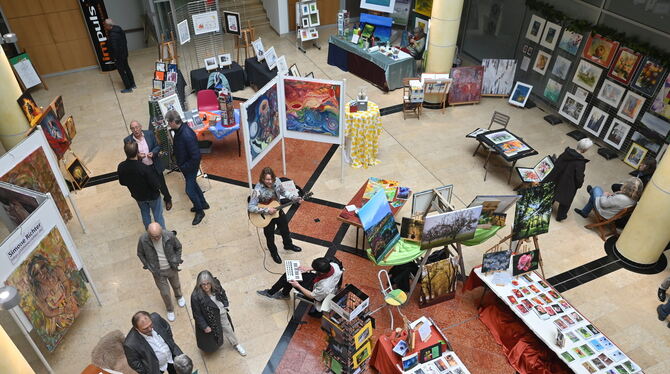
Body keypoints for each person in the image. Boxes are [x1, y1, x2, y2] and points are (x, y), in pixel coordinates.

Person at [247, 167, 302, 264]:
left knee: (285, 230)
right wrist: (266, 210)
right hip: (266, 216)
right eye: (267, 179)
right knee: (270, 236)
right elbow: (251, 207)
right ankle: (274, 253)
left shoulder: (277, 182)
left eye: (271, 179)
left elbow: (284, 192)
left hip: (278, 210)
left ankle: (288, 245)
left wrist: (294, 197)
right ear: (262, 179)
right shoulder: (258, 190)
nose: (270, 181)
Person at [257, 257, 342, 317]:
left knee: (289, 277)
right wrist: (308, 269)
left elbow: (312, 295)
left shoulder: (325, 286)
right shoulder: (334, 266)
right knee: (290, 276)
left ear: (321, 272)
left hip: (316, 294)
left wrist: (297, 285)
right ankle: (283, 293)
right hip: (317, 282)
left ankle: (272, 293)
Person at [165, 110, 209, 225]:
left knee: (189, 190)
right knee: (193, 184)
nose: (168, 124)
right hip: (186, 165)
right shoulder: (179, 130)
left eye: (169, 122)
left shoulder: (186, 134)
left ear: (174, 122)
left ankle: (200, 211)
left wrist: (184, 166)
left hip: (189, 167)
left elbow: (196, 156)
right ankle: (203, 203)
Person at [190, 270, 246, 356]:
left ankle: (235, 344)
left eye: (208, 283)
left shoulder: (216, 284)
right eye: (203, 284)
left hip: (221, 311)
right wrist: (204, 326)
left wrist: (225, 303)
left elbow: (222, 293)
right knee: (212, 335)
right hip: (209, 317)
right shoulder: (195, 296)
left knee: (227, 327)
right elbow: (197, 314)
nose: (205, 286)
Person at [137, 222, 185, 322]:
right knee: (165, 293)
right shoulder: (143, 240)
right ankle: (170, 309)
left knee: (176, 285)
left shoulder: (169, 235)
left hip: (171, 267)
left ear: (161, 232)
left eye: (158, 236)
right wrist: (148, 266)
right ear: (148, 233)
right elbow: (140, 253)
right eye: (153, 237)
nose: (156, 239)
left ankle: (179, 296)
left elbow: (178, 247)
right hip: (158, 272)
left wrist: (176, 259)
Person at [124, 120, 173, 210]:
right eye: (133, 128)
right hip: (142, 169)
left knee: (162, 185)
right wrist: (137, 156)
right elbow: (129, 155)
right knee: (148, 186)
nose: (136, 130)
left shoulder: (149, 134)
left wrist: (153, 153)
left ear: (141, 127)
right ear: (131, 130)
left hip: (154, 166)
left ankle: (168, 199)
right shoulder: (128, 140)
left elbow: (157, 146)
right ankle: (152, 201)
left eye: (137, 127)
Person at [118, 142, 166, 229]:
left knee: (145, 214)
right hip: (152, 196)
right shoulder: (144, 168)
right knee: (158, 215)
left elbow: (122, 182)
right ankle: (162, 234)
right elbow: (156, 185)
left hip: (138, 196)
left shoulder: (121, 166)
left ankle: (150, 234)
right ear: (137, 152)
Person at [544, 138, 592, 221]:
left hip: (556, 178)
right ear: (585, 150)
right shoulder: (580, 163)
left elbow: (557, 163)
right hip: (567, 184)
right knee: (567, 198)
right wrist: (579, 184)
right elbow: (579, 177)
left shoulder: (566, 153)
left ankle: (546, 207)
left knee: (553, 191)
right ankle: (561, 216)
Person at [573, 177, 643, 220]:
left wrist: (605, 195)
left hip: (604, 212)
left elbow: (603, 204)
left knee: (597, 188)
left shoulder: (621, 198)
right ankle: (584, 212)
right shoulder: (634, 199)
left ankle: (591, 192)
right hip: (612, 212)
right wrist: (616, 194)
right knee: (595, 193)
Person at [104, 18, 135, 93]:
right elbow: (125, 41)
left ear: (108, 25)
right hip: (124, 53)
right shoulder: (119, 29)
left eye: (105, 25)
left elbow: (115, 48)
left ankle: (128, 87)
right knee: (127, 68)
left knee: (122, 71)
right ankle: (133, 84)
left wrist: (115, 58)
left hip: (119, 56)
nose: (104, 26)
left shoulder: (112, 35)